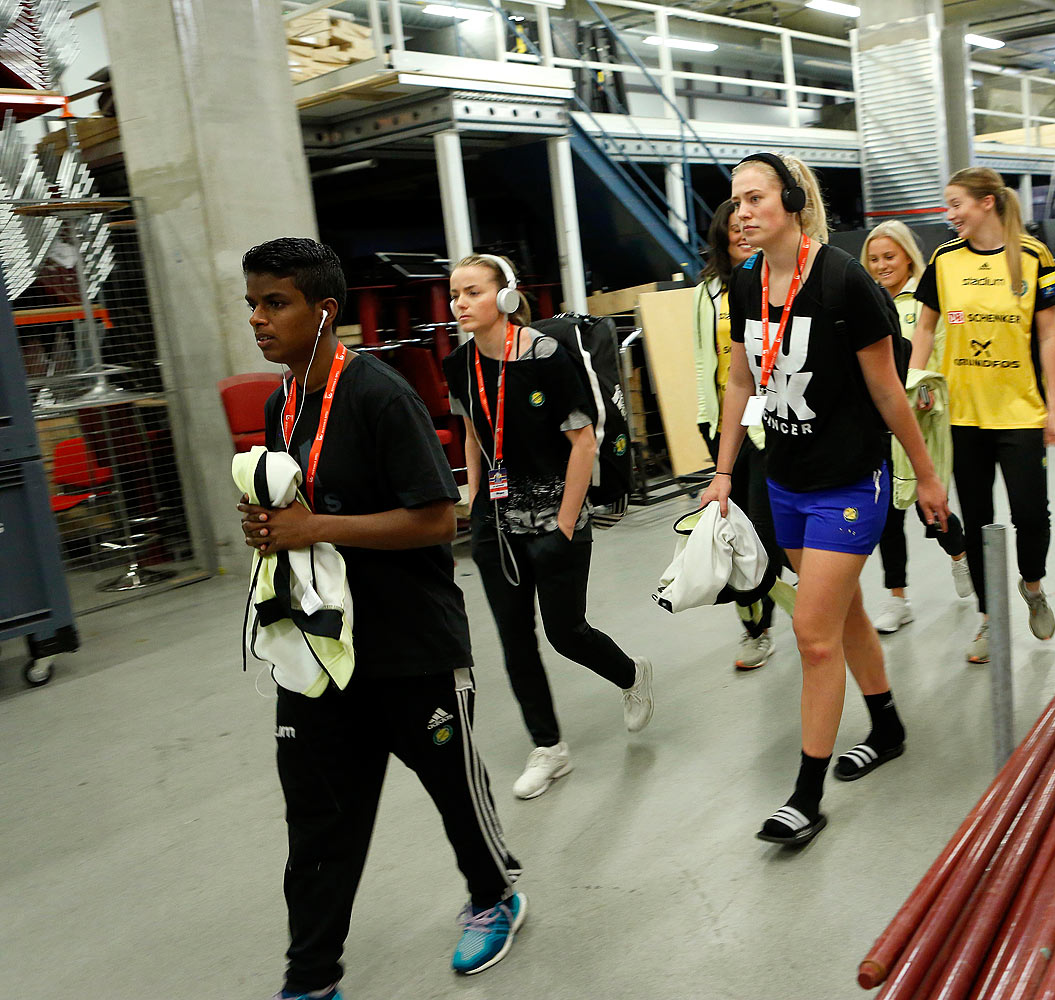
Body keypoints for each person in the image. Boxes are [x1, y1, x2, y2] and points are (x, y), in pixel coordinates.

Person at [239, 238, 525, 999]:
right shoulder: (283, 402)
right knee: (318, 817)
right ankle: (310, 978)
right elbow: (307, 506)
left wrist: (315, 529)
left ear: (322, 310)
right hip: (320, 645)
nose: (259, 321)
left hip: (409, 643)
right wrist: (273, 525)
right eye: (253, 305)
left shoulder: (378, 393)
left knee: (454, 793)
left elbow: (437, 519)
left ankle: (495, 894)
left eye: (276, 303)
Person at [701, 152, 950, 847]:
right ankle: (888, 725)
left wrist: (927, 477)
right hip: (785, 479)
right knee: (843, 616)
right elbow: (738, 381)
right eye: (735, 201)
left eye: (755, 198)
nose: (742, 212)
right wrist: (723, 471)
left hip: (848, 483)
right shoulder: (746, 283)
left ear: (789, 200)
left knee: (812, 636)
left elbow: (887, 392)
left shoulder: (846, 284)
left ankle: (805, 796)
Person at [442, 253, 654, 801]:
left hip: (556, 516)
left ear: (505, 297)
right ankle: (549, 748)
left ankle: (632, 675)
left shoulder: (549, 357)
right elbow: (471, 434)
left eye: (472, 292)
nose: (459, 303)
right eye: (455, 294)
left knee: (565, 632)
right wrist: (473, 506)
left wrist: (563, 525)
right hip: (496, 523)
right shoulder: (459, 364)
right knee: (515, 640)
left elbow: (583, 442)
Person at [910, 167, 1055, 664]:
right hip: (963, 417)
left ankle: (1033, 587)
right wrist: (916, 384)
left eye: (956, 203)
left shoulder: (1034, 255)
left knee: (1030, 514)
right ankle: (988, 616)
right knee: (978, 520)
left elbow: (1049, 335)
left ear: (986, 203)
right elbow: (925, 328)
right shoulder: (944, 260)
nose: (949, 213)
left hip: (1020, 411)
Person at [860, 220, 972, 634]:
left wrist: (926, 387)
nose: (881, 265)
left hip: (916, 422)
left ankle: (959, 557)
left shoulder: (923, 299)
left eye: (889, 257)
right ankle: (897, 599)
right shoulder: (864, 299)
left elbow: (936, 349)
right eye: (874, 259)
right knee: (887, 517)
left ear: (908, 255)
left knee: (931, 510)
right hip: (875, 427)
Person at [693, 200, 786, 669]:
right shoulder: (708, 292)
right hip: (729, 427)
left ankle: (803, 598)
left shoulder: (777, 283)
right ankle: (756, 627)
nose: (744, 235)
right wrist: (706, 419)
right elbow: (703, 360)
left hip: (772, 424)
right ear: (723, 240)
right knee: (735, 534)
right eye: (734, 231)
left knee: (770, 532)